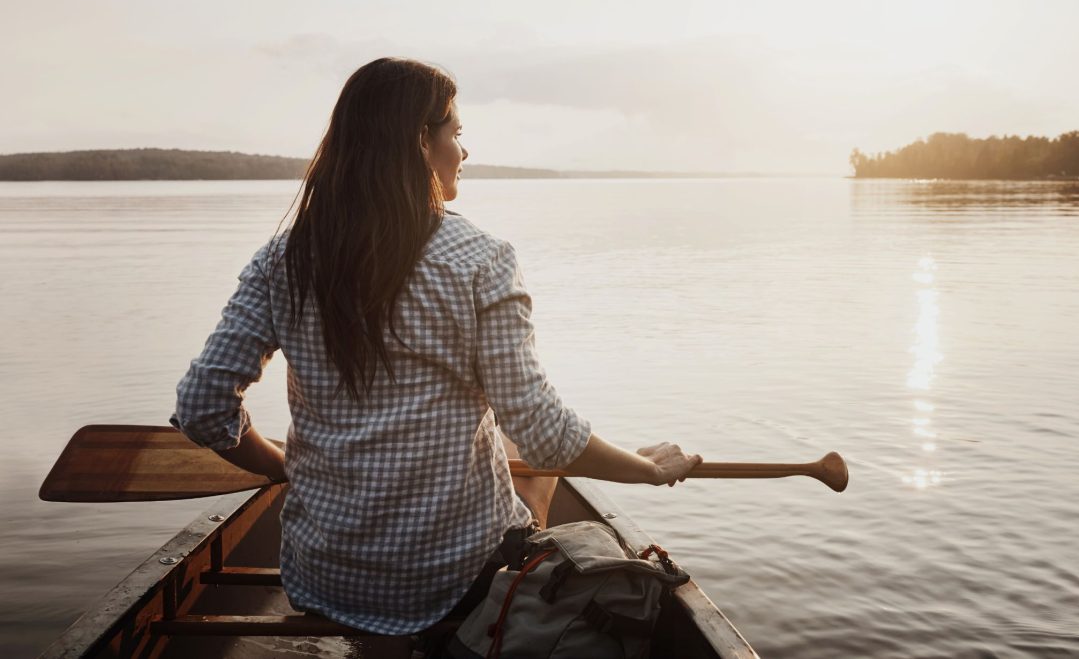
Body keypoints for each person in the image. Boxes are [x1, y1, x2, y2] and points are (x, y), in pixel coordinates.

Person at [170, 57, 701, 640]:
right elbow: (545, 433)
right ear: (421, 141)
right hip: (455, 580)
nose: (463, 151)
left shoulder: (283, 259)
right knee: (531, 462)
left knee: (500, 436)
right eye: (456, 133)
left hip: (323, 578)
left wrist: (287, 469)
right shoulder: (481, 259)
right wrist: (646, 469)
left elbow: (202, 407)